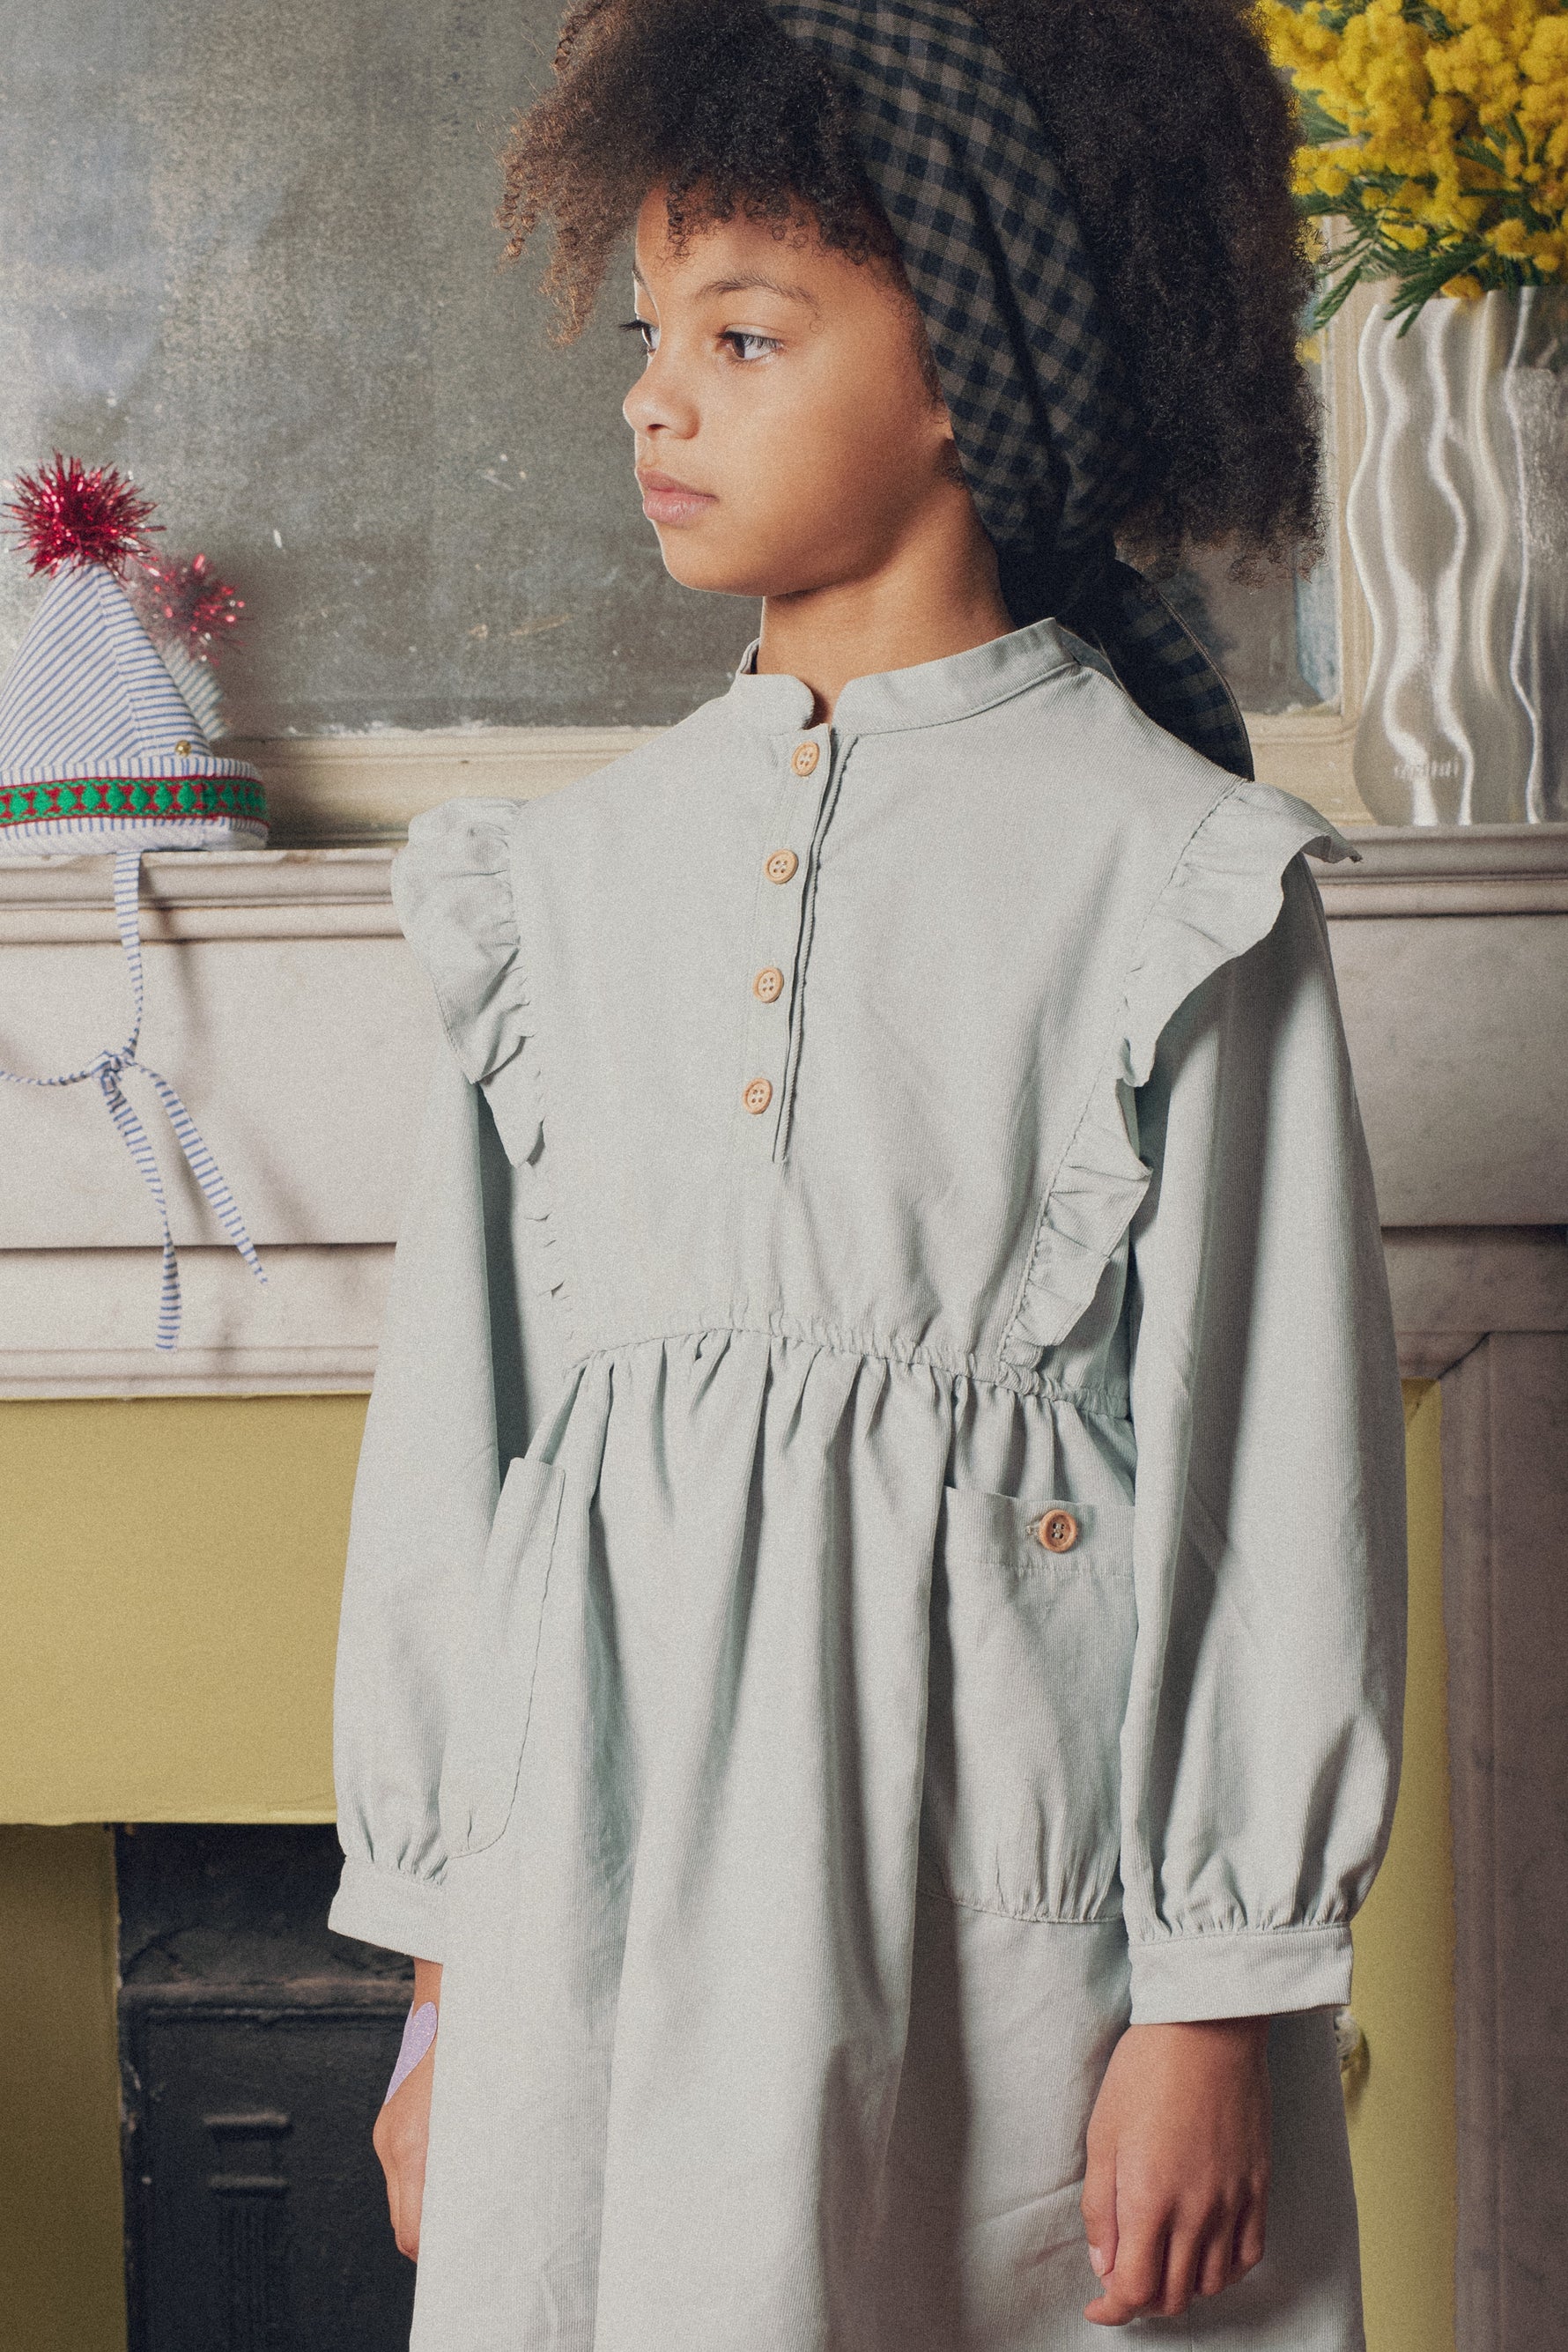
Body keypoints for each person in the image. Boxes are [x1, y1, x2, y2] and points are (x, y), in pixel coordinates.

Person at [328, 2, 1409, 2345]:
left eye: (745, 336)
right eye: (649, 336)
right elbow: (457, 1458)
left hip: (1021, 1947)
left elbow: (1271, 1460)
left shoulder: (1174, 875)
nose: (655, 400)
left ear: (973, 371)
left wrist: (1219, 2004)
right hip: (595, 1933)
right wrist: (437, 1988)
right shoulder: (556, 889)